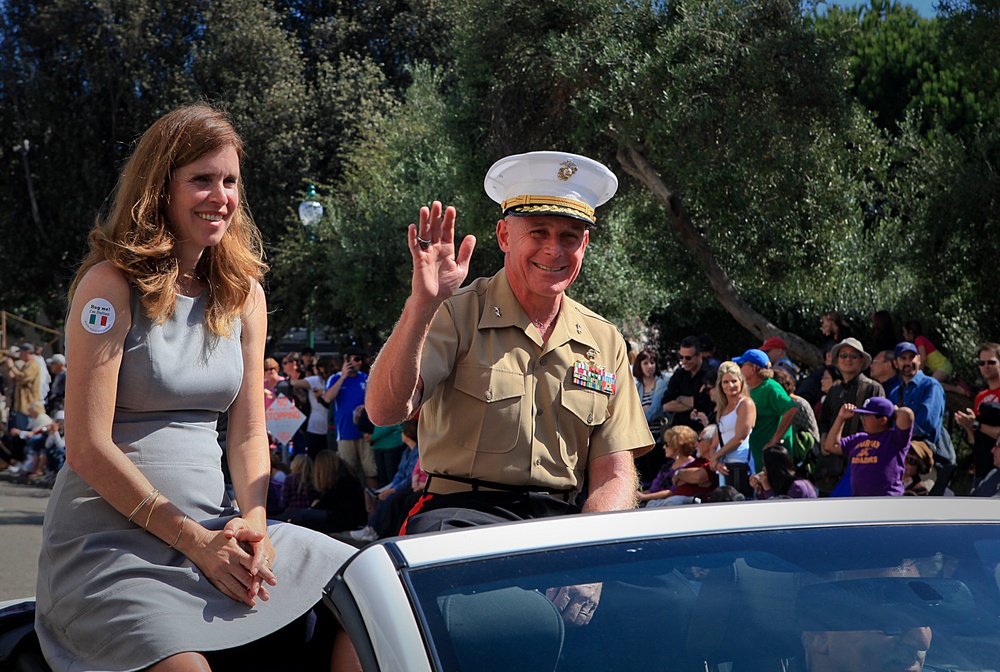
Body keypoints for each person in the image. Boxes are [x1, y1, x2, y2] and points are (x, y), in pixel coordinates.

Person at [34, 105, 354, 672]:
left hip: (216, 530)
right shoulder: (109, 285)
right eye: (201, 179)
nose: (220, 196)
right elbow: (84, 446)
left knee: (371, 590)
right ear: (160, 188)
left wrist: (253, 522)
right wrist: (193, 542)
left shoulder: (244, 293)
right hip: (110, 548)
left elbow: (251, 429)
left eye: (230, 181)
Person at [365, 150, 653, 538]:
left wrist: (589, 552)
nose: (554, 249)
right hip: (461, 516)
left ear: (584, 245)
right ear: (504, 236)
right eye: (538, 232)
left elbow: (614, 474)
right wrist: (421, 307)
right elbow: (384, 411)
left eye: (569, 236)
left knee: (672, 594)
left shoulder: (604, 340)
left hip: (564, 524)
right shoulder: (455, 314)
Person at [822, 397, 914, 497]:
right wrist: (841, 418)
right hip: (861, 501)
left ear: (883, 420)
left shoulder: (894, 438)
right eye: (862, 415)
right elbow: (831, 446)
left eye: (867, 415)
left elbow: (907, 414)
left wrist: (892, 410)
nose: (862, 419)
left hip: (887, 499)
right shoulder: (858, 438)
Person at [733, 349, 797, 475]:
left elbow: (792, 409)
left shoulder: (770, 387)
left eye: (742, 365)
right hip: (757, 458)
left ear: (753, 368)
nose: (739, 369)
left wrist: (775, 440)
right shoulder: (751, 389)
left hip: (773, 462)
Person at [324, 346, 376, 488]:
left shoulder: (365, 378)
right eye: (356, 359)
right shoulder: (334, 379)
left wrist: (365, 407)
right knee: (348, 473)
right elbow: (327, 398)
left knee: (370, 471)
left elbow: (376, 400)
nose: (359, 363)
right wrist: (343, 377)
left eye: (361, 360)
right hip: (345, 434)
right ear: (347, 360)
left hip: (365, 433)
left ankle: (373, 507)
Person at [892, 341, 952, 464]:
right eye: (903, 358)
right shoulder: (894, 392)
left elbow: (926, 422)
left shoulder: (931, 386)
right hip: (899, 457)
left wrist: (900, 433)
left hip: (923, 459)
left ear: (919, 360)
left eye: (912, 357)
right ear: (895, 364)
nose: (908, 362)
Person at [704, 360, 756, 496]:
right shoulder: (722, 409)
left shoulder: (746, 403)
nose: (730, 385)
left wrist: (716, 457)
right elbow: (714, 445)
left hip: (741, 464)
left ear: (741, 382)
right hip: (724, 467)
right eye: (725, 382)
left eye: (734, 381)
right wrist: (715, 461)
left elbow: (740, 437)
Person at [284, 449, 367, 534]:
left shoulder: (340, 482)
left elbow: (328, 502)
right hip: (350, 519)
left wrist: (314, 507)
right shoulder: (346, 477)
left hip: (345, 520)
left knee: (302, 516)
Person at [637, 425, 717, 507]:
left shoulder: (694, 464)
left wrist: (644, 497)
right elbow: (653, 489)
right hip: (659, 502)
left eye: (667, 444)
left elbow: (673, 490)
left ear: (677, 447)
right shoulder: (667, 466)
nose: (664, 447)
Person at [954, 342, 1000, 481]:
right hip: (981, 468)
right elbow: (975, 439)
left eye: (991, 362)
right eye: (981, 362)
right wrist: (968, 425)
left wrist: (976, 425)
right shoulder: (980, 397)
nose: (985, 366)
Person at [661, 335, 714, 433]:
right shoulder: (679, 374)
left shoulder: (710, 374)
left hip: (700, 431)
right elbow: (666, 405)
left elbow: (708, 403)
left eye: (688, 358)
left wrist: (680, 399)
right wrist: (695, 402)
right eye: (681, 357)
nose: (684, 361)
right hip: (678, 431)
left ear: (699, 356)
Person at [633, 348, 668, 483]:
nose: (650, 367)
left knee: (654, 474)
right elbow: (633, 409)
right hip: (640, 438)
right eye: (646, 363)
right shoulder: (638, 386)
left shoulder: (660, 383)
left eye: (652, 363)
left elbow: (655, 410)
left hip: (656, 437)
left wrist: (639, 418)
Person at [750, 444, 817, 499]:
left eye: (765, 465)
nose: (763, 469)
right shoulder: (780, 483)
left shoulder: (798, 486)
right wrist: (760, 489)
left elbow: (779, 510)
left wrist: (767, 488)